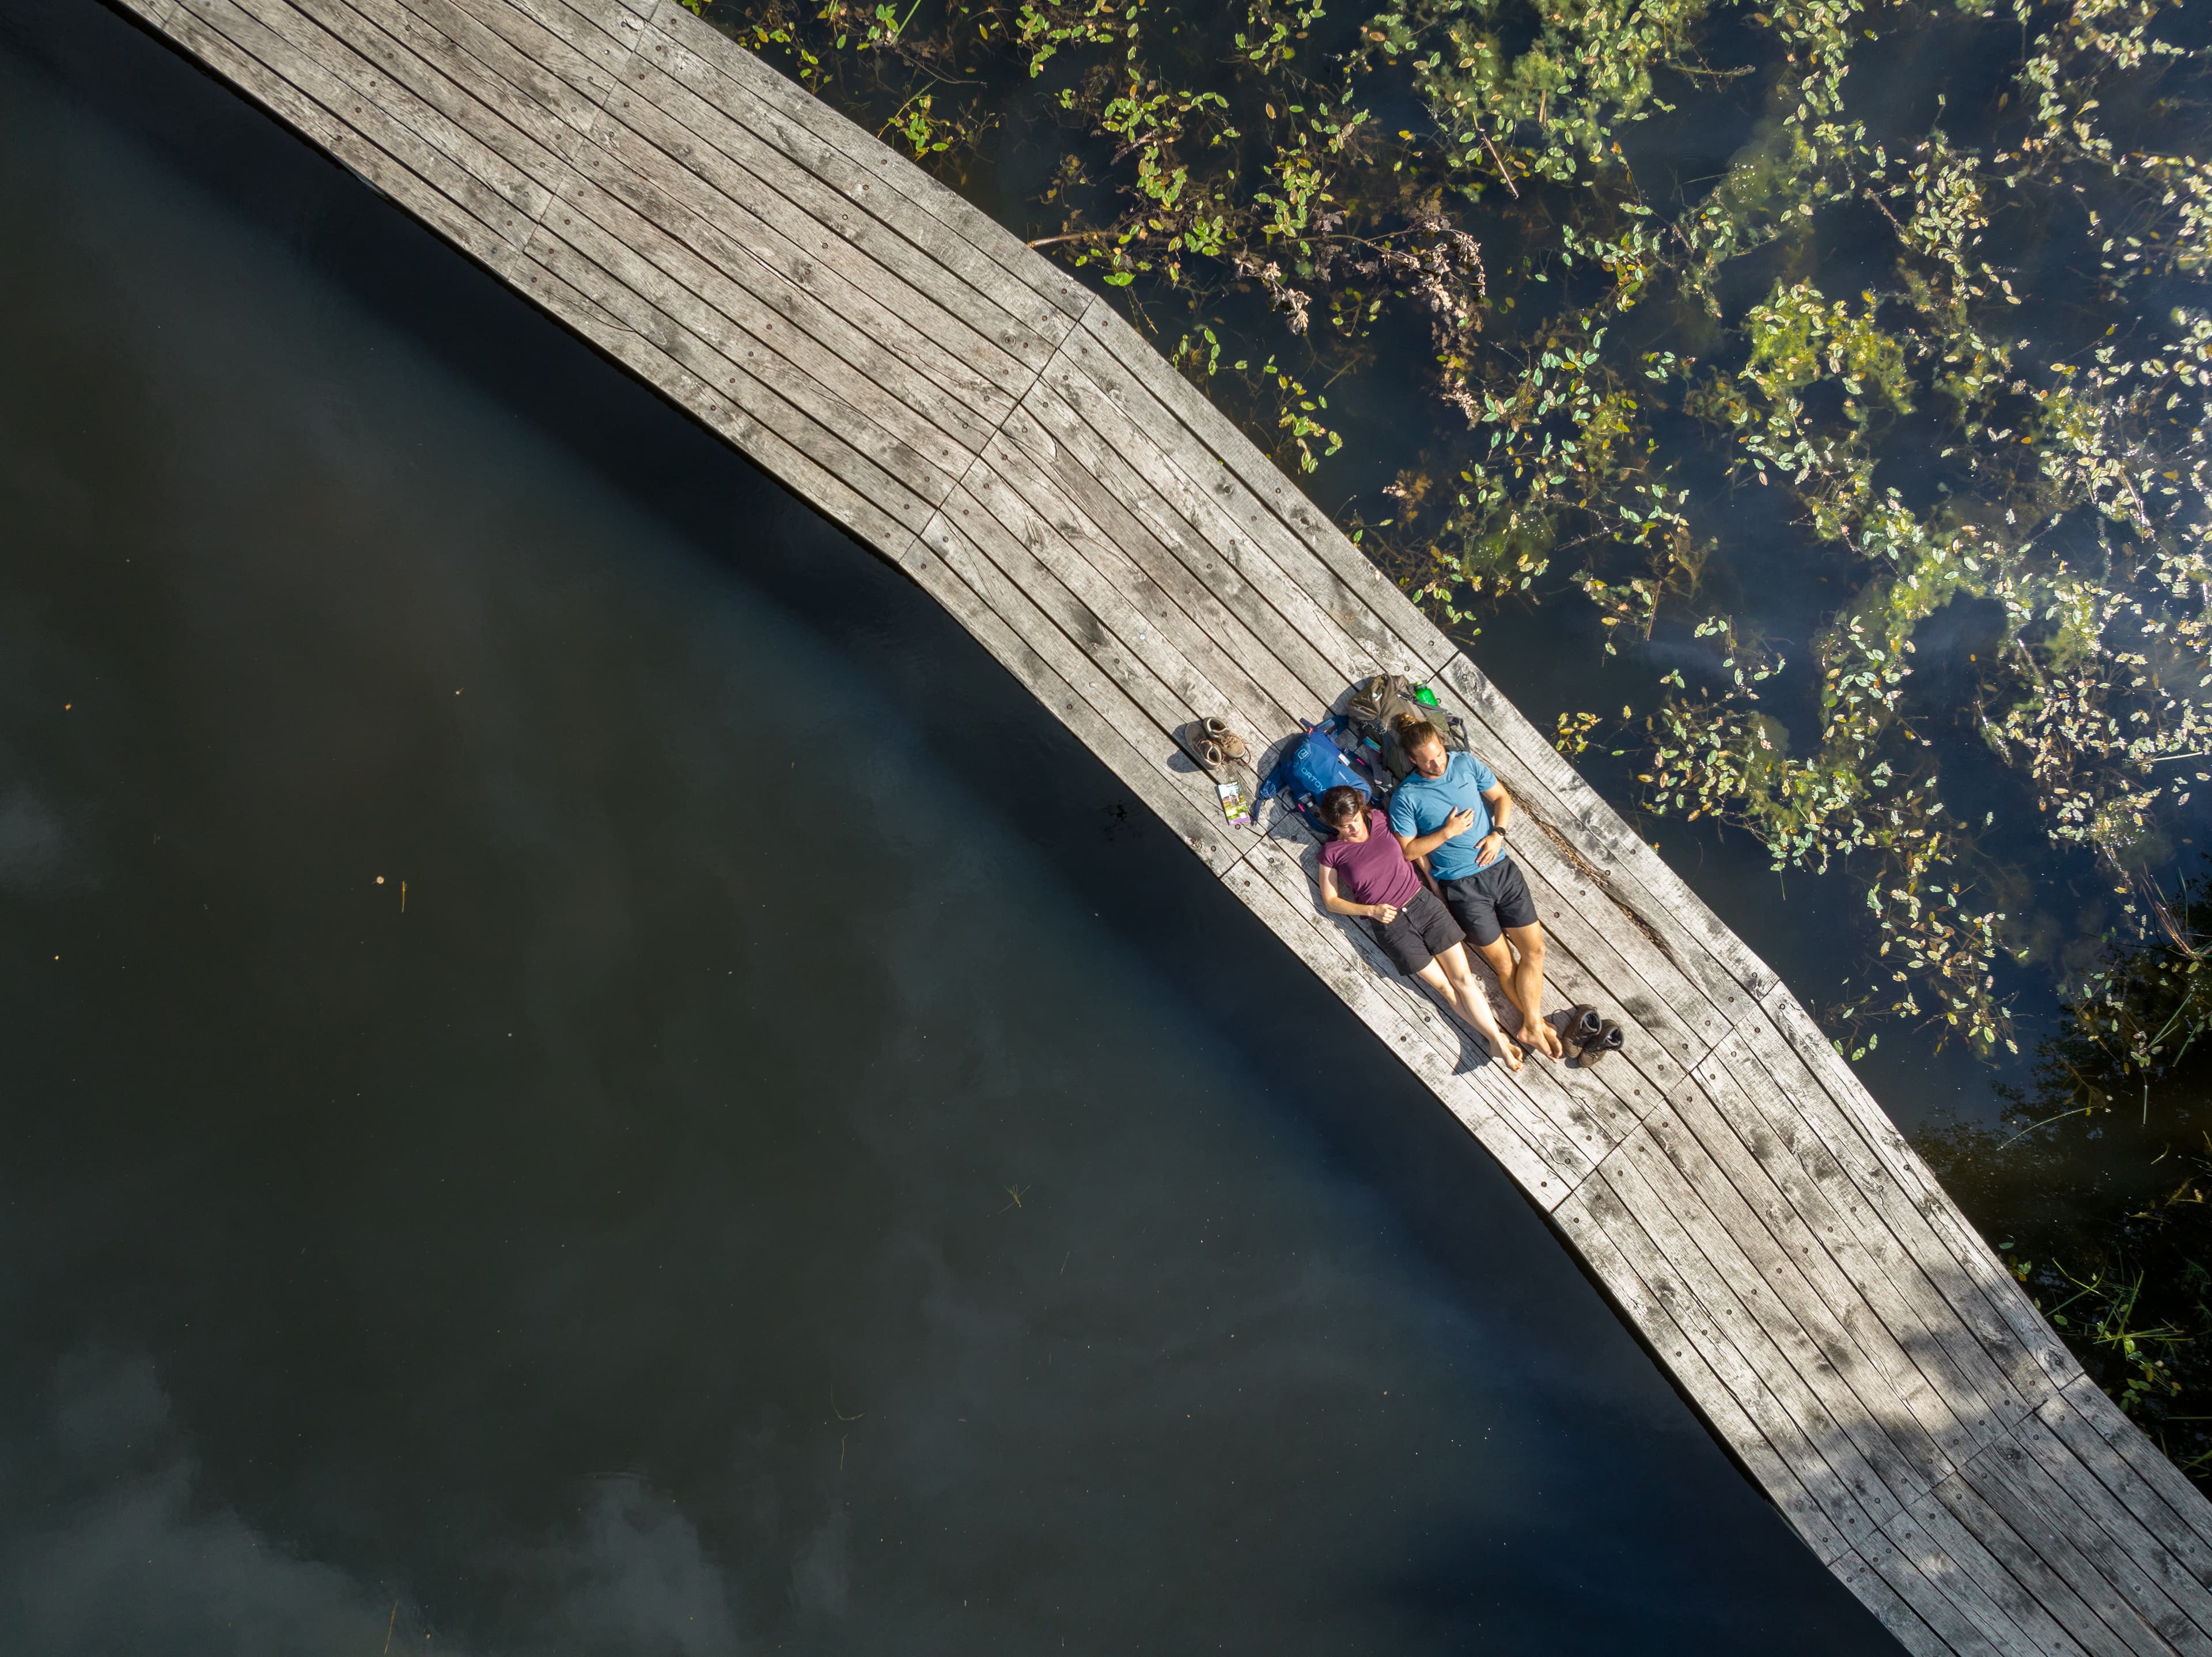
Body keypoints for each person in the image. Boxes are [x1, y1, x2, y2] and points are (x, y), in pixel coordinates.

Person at [1384, 716, 1563, 1061]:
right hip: (1462, 887)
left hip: (1502, 870)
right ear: (1412, 761)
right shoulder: (1407, 796)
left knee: (1536, 951)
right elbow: (1407, 851)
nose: (1437, 763)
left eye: (1439, 754)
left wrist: (1499, 833)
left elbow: (1502, 798)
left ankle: (1531, 1025)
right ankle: (1535, 1026)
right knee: (1504, 965)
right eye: (1427, 760)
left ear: (1442, 744)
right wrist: (1446, 834)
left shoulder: (1465, 763)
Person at [1314, 785, 1523, 1070]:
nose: (1352, 830)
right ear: (1333, 826)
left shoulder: (1382, 820)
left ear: (1362, 811)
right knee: (1446, 990)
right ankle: (1496, 1039)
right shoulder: (1332, 852)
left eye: (1354, 822)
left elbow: (1413, 853)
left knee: (1463, 979)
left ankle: (1497, 1042)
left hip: (1423, 904)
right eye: (1343, 828)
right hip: (1391, 926)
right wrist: (1369, 910)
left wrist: (1434, 885)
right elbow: (1331, 901)